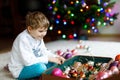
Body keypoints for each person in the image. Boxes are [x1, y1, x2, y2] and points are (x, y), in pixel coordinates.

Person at [7, 11, 65, 79]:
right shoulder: (23, 39)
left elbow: (44, 51)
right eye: (40, 31)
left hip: (35, 63)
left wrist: (55, 57)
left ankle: (42, 74)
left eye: (45, 30)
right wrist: (48, 59)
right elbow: (28, 62)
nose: (44, 33)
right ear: (30, 29)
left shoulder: (38, 36)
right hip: (21, 69)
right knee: (41, 68)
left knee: (55, 63)